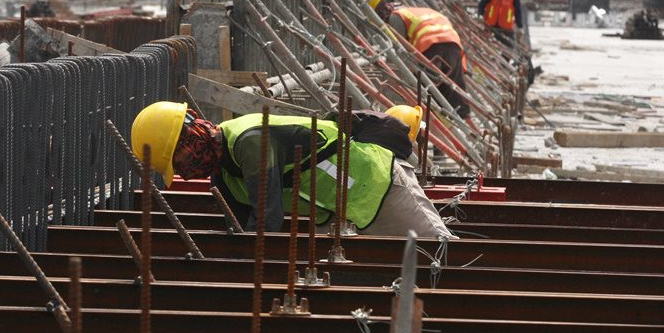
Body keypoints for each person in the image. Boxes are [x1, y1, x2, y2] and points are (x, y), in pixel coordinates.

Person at [129, 102, 451, 239]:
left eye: (180, 161)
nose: (185, 174)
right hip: (342, 218)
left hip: (379, 184)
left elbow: (268, 217)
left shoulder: (249, 142)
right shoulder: (224, 174)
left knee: (436, 256)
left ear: (192, 136)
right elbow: (246, 231)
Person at [367, 0, 470, 118]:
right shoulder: (416, 11)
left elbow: (401, 51)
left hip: (430, 46)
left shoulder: (396, 16)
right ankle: (464, 129)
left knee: (427, 93)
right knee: (452, 91)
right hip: (453, 44)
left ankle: (428, 127)